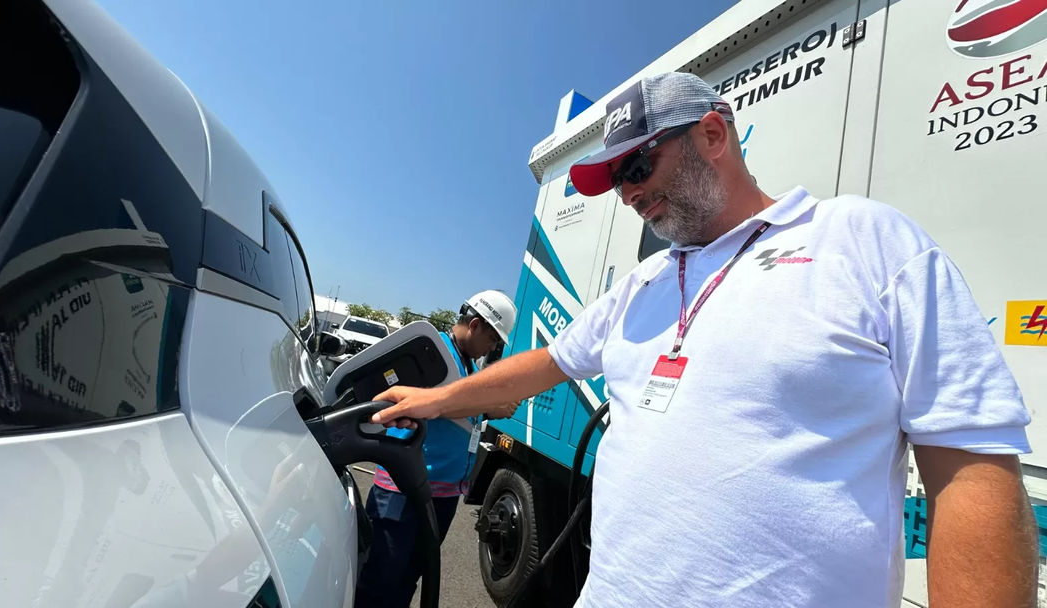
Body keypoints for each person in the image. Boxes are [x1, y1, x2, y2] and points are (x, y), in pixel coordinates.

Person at [369, 73, 1038, 607]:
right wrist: (434, 398)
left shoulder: (863, 242)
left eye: (637, 168)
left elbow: (972, 472)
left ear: (713, 134)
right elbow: (544, 365)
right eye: (615, 183)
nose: (627, 196)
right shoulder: (644, 284)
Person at [354, 290, 519, 608]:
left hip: (441, 496)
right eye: (494, 338)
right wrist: (488, 408)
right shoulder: (431, 351)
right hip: (403, 491)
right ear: (474, 325)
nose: (495, 347)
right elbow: (427, 403)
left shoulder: (467, 365)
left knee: (409, 578)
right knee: (380, 579)